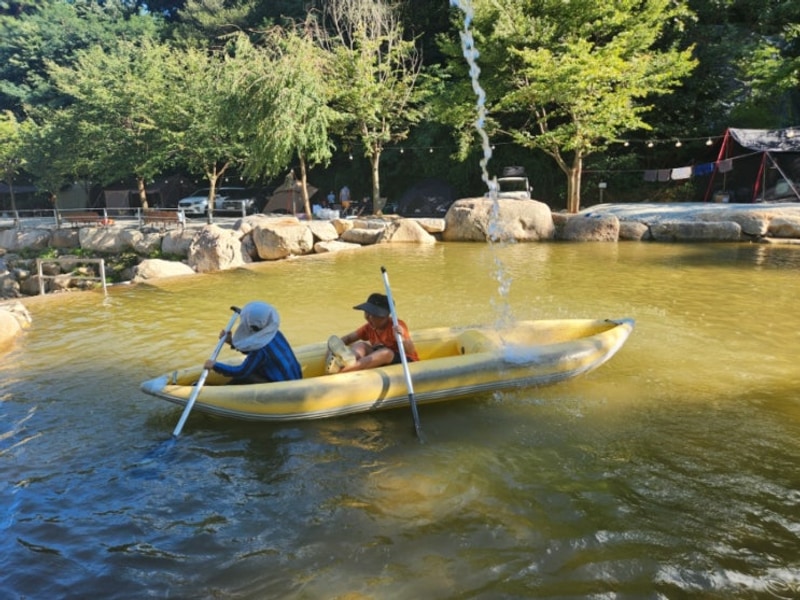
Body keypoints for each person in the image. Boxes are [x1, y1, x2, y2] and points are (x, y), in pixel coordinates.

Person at [205, 301, 302, 384]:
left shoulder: (259, 350)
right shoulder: (275, 333)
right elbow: (261, 355)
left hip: (282, 387)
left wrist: (214, 365)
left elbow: (241, 371)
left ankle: (218, 393)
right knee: (252, 369)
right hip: (294, 378)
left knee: (244, 377)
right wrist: (231, 342)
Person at [326, 293, 419, 374]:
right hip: (381, 358)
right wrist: (331, 349)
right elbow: (349, 338)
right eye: (367, 313)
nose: (368, 317)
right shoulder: (369, 327)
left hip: (404, 361)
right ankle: (349, 360)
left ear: (385, 317)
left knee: (385, 353)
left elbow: (410, 351)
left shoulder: (397, 326)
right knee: (361, 345)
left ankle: (343, 371)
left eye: (373, 315)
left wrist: (402, 337)